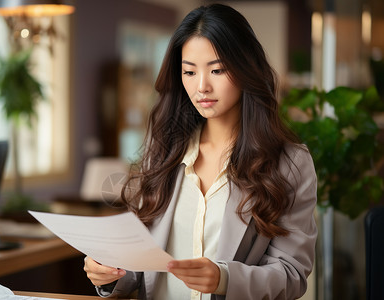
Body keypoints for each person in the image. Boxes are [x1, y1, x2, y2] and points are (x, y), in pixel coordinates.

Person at [84, 3, 317, 300]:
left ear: (246, 68)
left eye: (217, 69)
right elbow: (143, 266)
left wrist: (224, 278)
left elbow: (291, 275)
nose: (202, 86)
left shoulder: (290, 163)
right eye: (189, 72)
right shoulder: (164, 151)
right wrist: (109, 272)